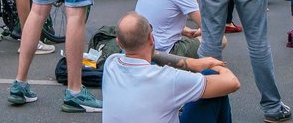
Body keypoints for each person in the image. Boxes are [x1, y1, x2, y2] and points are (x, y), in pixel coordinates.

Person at [100, 11, 239, 123]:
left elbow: (151, 56)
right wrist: (217, 66)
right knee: (212, 80)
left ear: (119, 43)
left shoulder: (111, 63)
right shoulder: (168, 78)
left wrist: (191, 63)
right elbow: (232, 83)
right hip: (169, 81)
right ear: (151, 39)